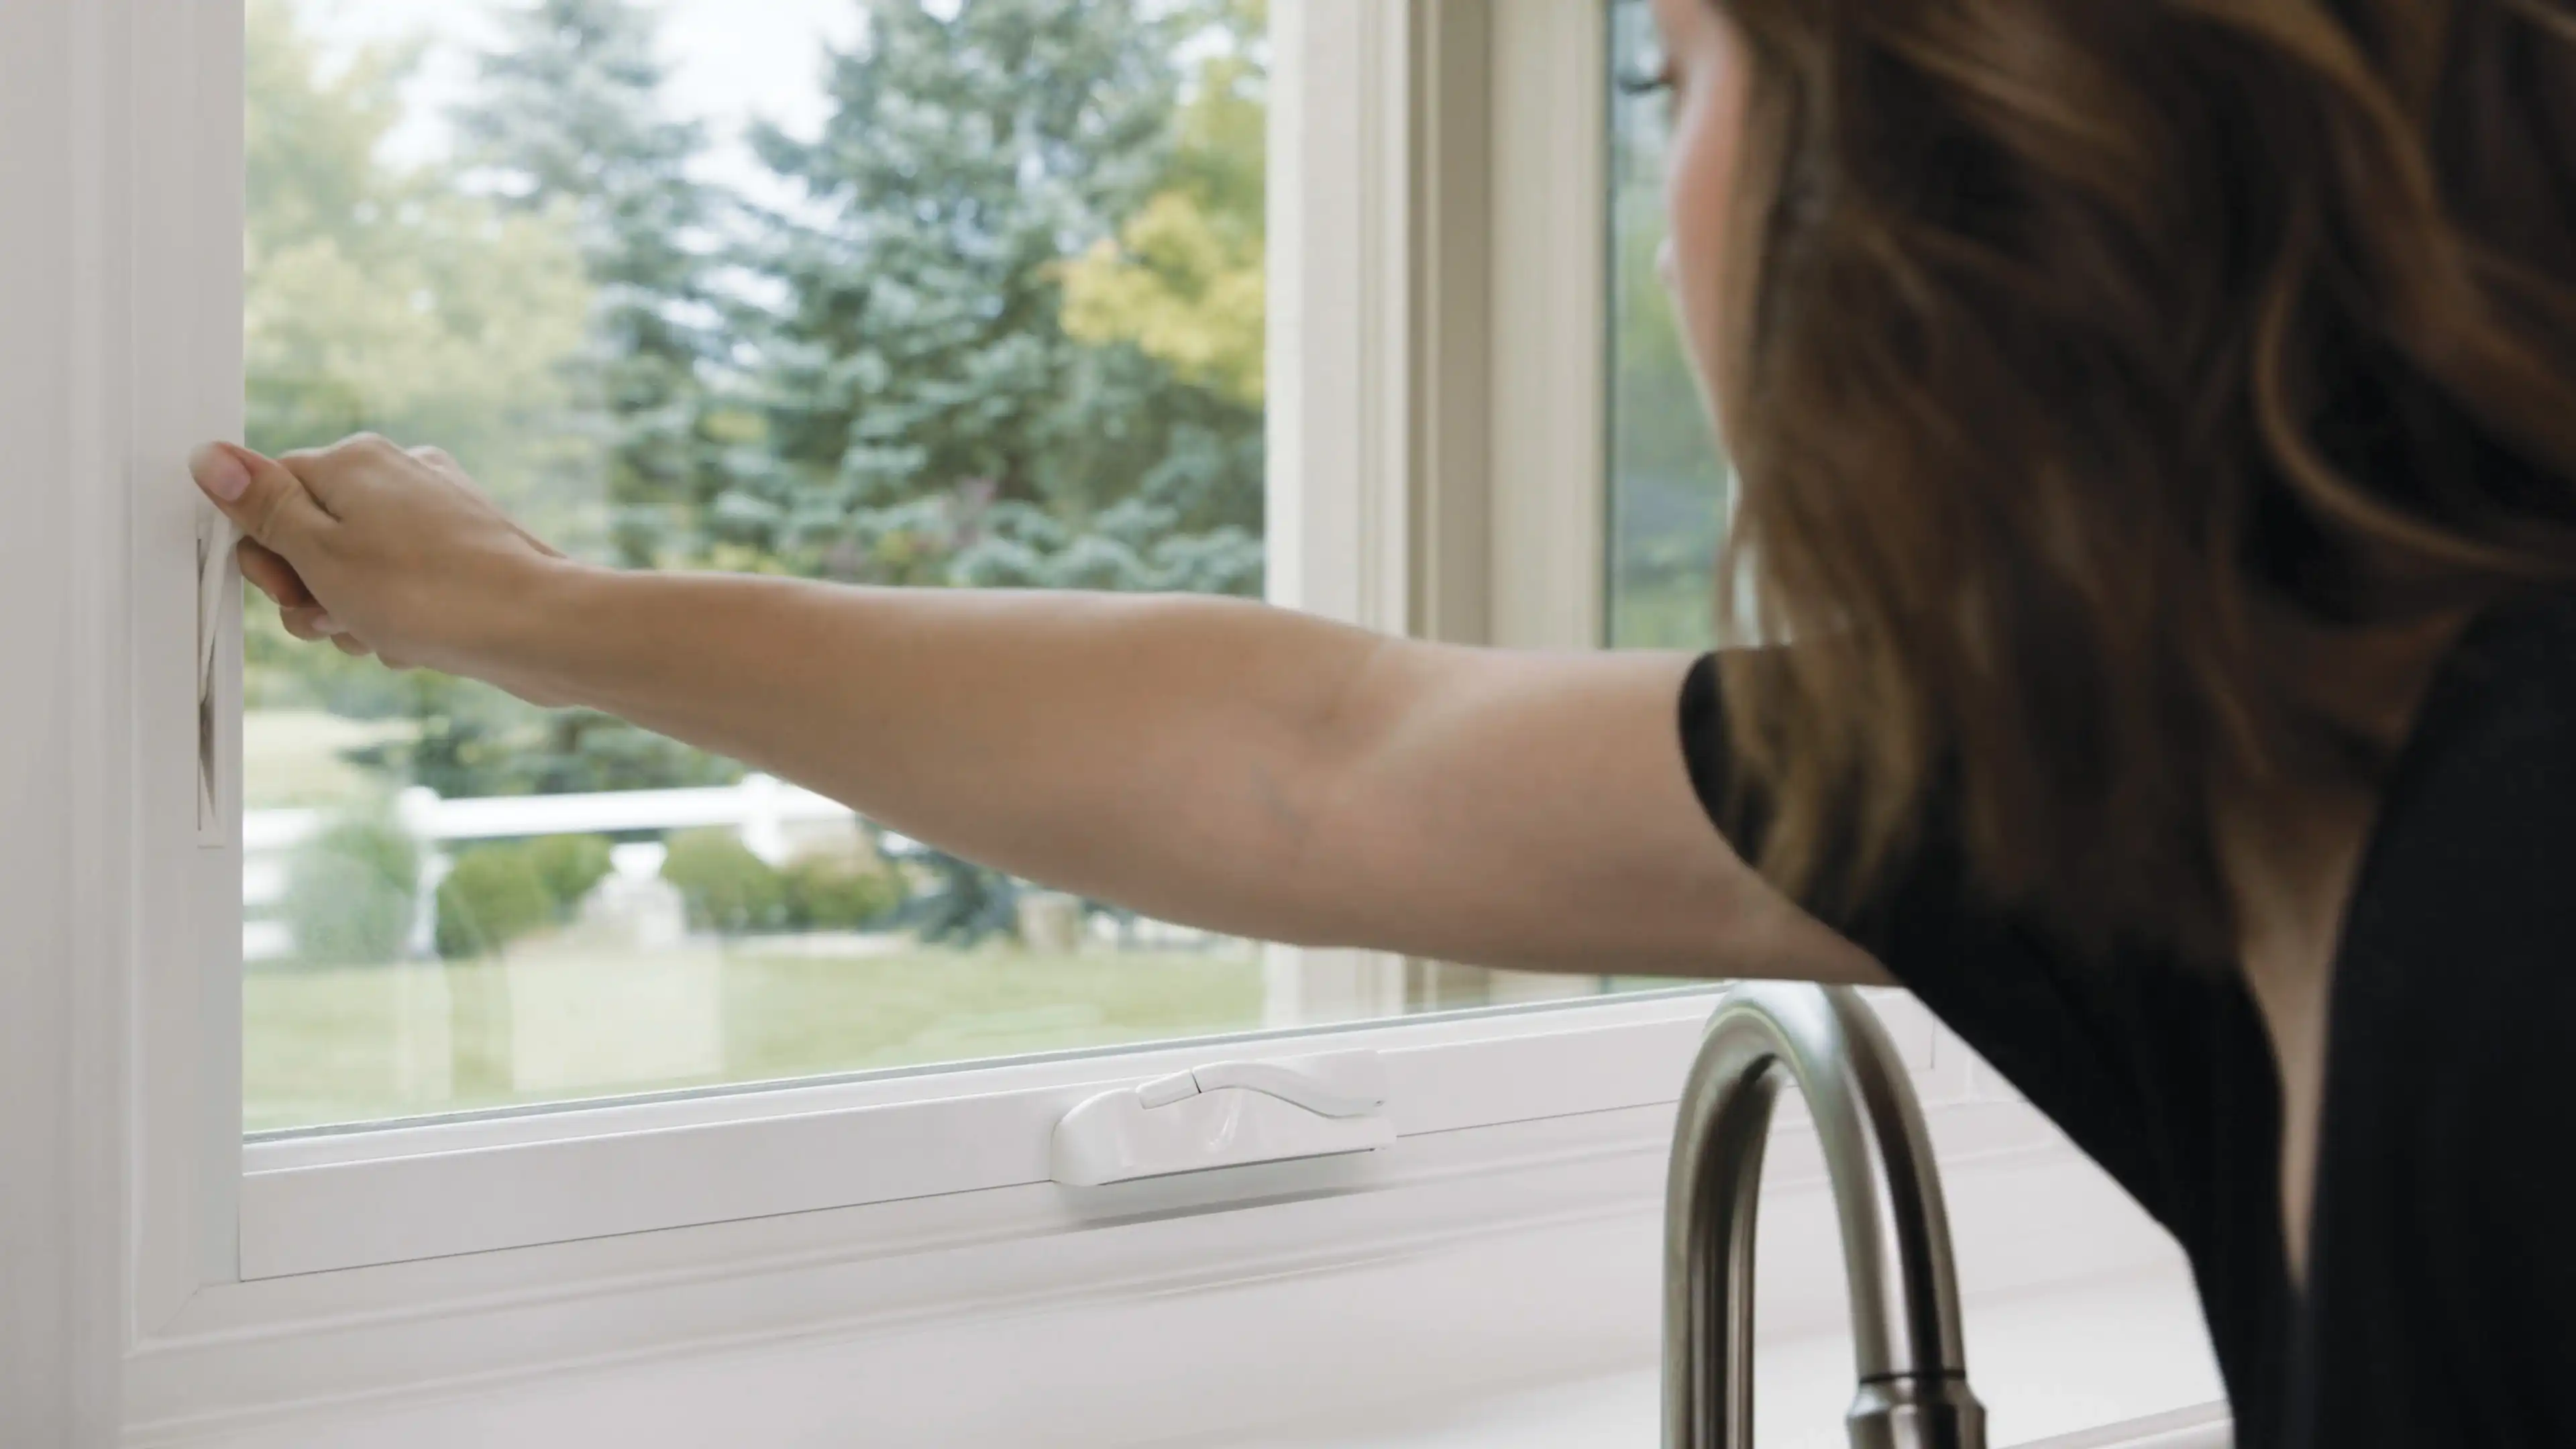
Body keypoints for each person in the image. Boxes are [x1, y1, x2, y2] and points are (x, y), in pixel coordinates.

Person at [192, 0, 2576, 1441]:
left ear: (1978, 155)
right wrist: (534, 610)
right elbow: (1318, 759)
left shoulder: (2509, 917)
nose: (1679, 200)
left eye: (1675, 75)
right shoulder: (2191, 779)